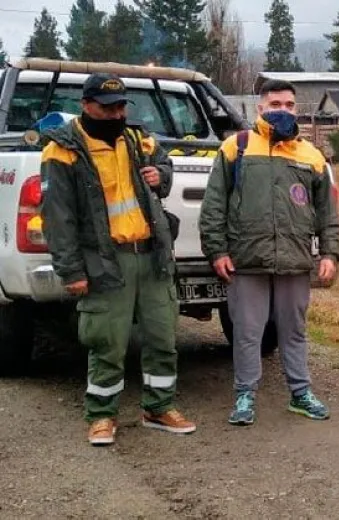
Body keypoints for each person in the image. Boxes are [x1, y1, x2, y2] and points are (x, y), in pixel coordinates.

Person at [41, 73, 194, 446]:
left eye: (121, 106)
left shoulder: (138, 139)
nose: (116, 113)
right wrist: (71, 270)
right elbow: (58, 219)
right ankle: (101, 415)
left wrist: (162, 175)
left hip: (152, 255)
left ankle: (159, 408)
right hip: (106, 261)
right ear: (86, 105)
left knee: (162, 336)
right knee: (107, 342)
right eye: (107, 107)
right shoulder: (62, 151)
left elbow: (166, 169)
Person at [199, 79, 339, 426]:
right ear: (260, 107)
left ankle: (300, 394)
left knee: (294, 331)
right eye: (276, 104)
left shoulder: (310, 155)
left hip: (294, 260)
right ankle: (245, 395)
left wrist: (329, 253)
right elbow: (214, 205)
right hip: (248, 261)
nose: (283, 111)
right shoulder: (238, 148)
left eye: (290, 105)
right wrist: (217, 250)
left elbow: (327, 212)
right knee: (248, 332)